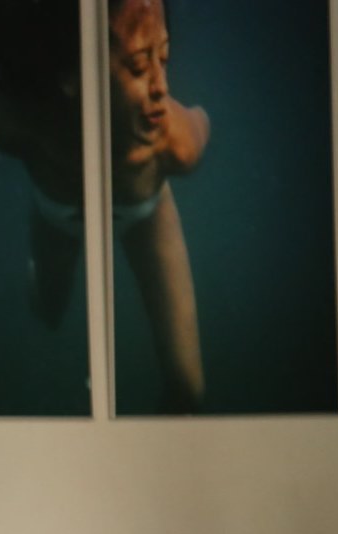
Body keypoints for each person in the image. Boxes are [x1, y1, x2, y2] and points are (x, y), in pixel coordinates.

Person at [110, 0, 210, 413]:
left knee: (187, 389)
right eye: (139, 64)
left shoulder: (178, 144)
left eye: (164, 57)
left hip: (145, 210)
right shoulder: (20, 116)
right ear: (71, 75)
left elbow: (201, 121)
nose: (161, 87)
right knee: (46, 307)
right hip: (59, 210)